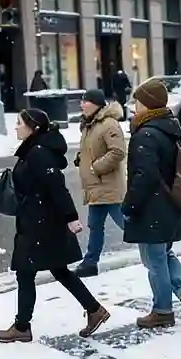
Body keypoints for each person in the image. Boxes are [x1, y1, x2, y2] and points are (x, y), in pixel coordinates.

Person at [0, 109, 109, 343]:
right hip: (38, 220)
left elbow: (57, 186)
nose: (15, 127)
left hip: (41, 223)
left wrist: (71, 217)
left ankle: (22, 327)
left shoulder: (38, 153)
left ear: (33, 128)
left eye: (19, 123)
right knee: (57, 269)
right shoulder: (33, 150)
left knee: (26, 272)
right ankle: (94, 310)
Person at [122, 78, 181, 328]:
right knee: (163, 254)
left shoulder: (145, 135)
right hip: (170, 205)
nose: (134, 106)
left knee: (154, 260)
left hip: (152, 208)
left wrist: (129, 206)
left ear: (148, 104)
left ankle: (162, 310)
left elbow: (144, 177)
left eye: (137, 102)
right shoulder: (167, 129)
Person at [73, 88, 126, 277]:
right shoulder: (90, 125)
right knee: (95, 226)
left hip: (108, 187)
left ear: (96, 104)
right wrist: (82, 158)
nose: (82, 104)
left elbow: (118, 152)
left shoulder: (108, 124)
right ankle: (90, 263)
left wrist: (96, 167)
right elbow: (92, 149)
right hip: (96, 188)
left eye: (85, 101)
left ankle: (156, 247)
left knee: (127, 224)